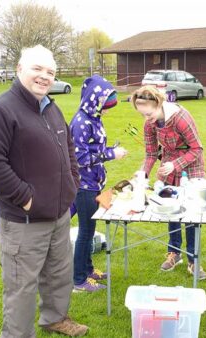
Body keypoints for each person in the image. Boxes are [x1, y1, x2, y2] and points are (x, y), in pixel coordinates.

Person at [0, 45, 88, 337]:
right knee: (21, 287)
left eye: (50, 72)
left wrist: (72, 183)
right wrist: (25, 198)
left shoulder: (50, 106)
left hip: (59, 213)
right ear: (19, 69)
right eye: (37, 69)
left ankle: (54, 318)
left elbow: (69, 148)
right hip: (24, 222)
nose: (44, 76)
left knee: (59, 274)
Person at [130, 85, 206, 280]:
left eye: (149, 114)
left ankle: (193, 258)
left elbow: (197, 148)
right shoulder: (150, 124)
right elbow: (150, 153)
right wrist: (142, 174)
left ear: (159, 104)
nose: (147, 119)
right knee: (170, 209)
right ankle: (174, 252)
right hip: (169, 164)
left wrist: (176, 165)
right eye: (143, 115)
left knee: (190, 214)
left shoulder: (181, 118)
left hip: (191, 165)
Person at [70, 75, 127, 292]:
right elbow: (80, 159)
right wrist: (112, 153)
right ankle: (79, 281)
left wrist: (107, 150)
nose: (107, 110)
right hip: (84, 186)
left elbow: (93, 149)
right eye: (105, 106)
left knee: (90, 229)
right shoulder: (81, 122)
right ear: (94, 101)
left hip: (94, 182)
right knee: (85, 232)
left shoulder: (93, 118)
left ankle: (89, 270)